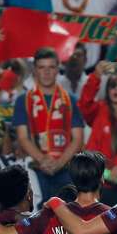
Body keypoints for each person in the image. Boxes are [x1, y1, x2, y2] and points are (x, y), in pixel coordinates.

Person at [13, 48, 84, 203]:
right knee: (37, 218)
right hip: (35, 170)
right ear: (34, 70)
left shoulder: (70, 99)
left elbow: (78, 139)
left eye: (51, 67)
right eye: (41, 67)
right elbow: (22, 137)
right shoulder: (22, 100)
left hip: (65, 170)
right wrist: (43, 160)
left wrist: (59, 163)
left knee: (68, 217)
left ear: (58, 70)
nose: (46, 72)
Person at [78, 60, 117, 203]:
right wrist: (96, 76)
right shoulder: (99, 110)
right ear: (107, 90)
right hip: (92, 180)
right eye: (112, 86)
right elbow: (84, 104)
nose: (116, 90)